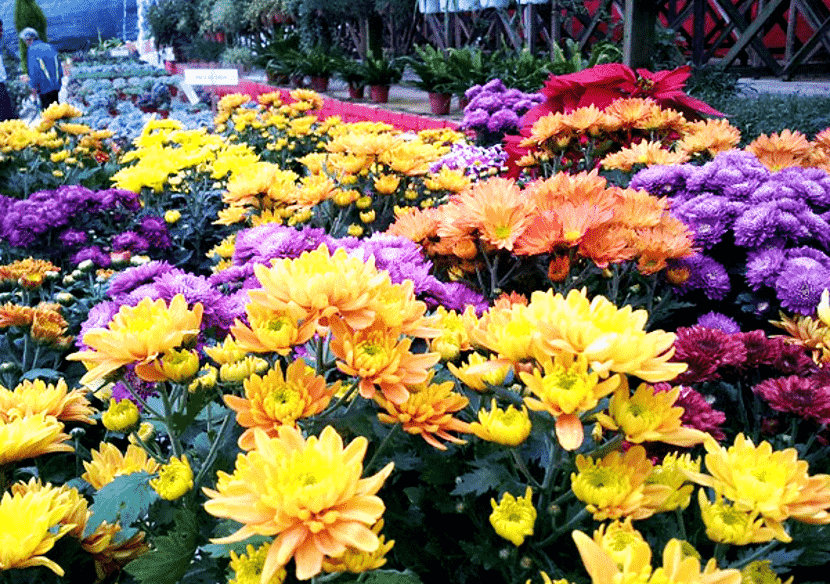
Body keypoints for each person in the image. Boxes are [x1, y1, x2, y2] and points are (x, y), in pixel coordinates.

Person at [19, 27, 61, 110]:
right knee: (58, 111)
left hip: (44, 89)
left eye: (25, 40)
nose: (25, 43)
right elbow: (59, 65)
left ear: (29, 39)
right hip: (56, 86)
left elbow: (34, 71)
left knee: (49, 116)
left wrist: (33, 91)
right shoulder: (50, 46)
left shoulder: (32, 50)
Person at [0, 20, 17, 120]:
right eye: (0, 30)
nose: (1, 33)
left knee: (9, 114)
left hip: (2, 82)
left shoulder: (2, 42)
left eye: (2, 30)